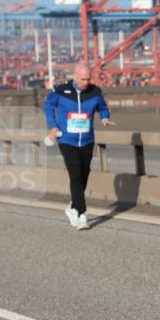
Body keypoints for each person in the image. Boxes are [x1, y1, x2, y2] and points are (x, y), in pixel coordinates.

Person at [43, 63, 115, 230]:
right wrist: (53, 126)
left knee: (84, 174)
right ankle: (82, 214)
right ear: (74, 77)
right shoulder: (60, 90)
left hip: (87, 140)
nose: (86, 82)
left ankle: (73, 207)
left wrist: (104, 118)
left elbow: (102, 108)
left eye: (88, 79)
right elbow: (48, 106)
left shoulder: (95, 91)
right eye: (83, 79)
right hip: (67, 140)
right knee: (75, 174)